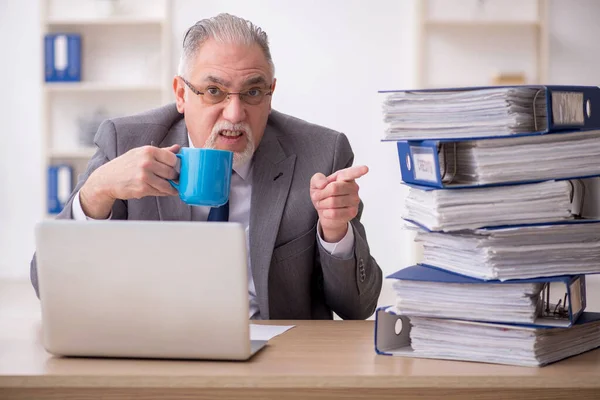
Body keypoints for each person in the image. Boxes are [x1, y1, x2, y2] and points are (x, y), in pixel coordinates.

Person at [30, 13, 382, 320]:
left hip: (277, 361)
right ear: (181, 95)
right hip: (156, 349)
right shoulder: (125, 141)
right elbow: (47, 285)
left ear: (270, 94)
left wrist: (335, 233)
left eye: (253, 92)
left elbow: (358, 306)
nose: (234, 114)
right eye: (214, 91)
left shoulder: (320, 154)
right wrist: (96, 192)